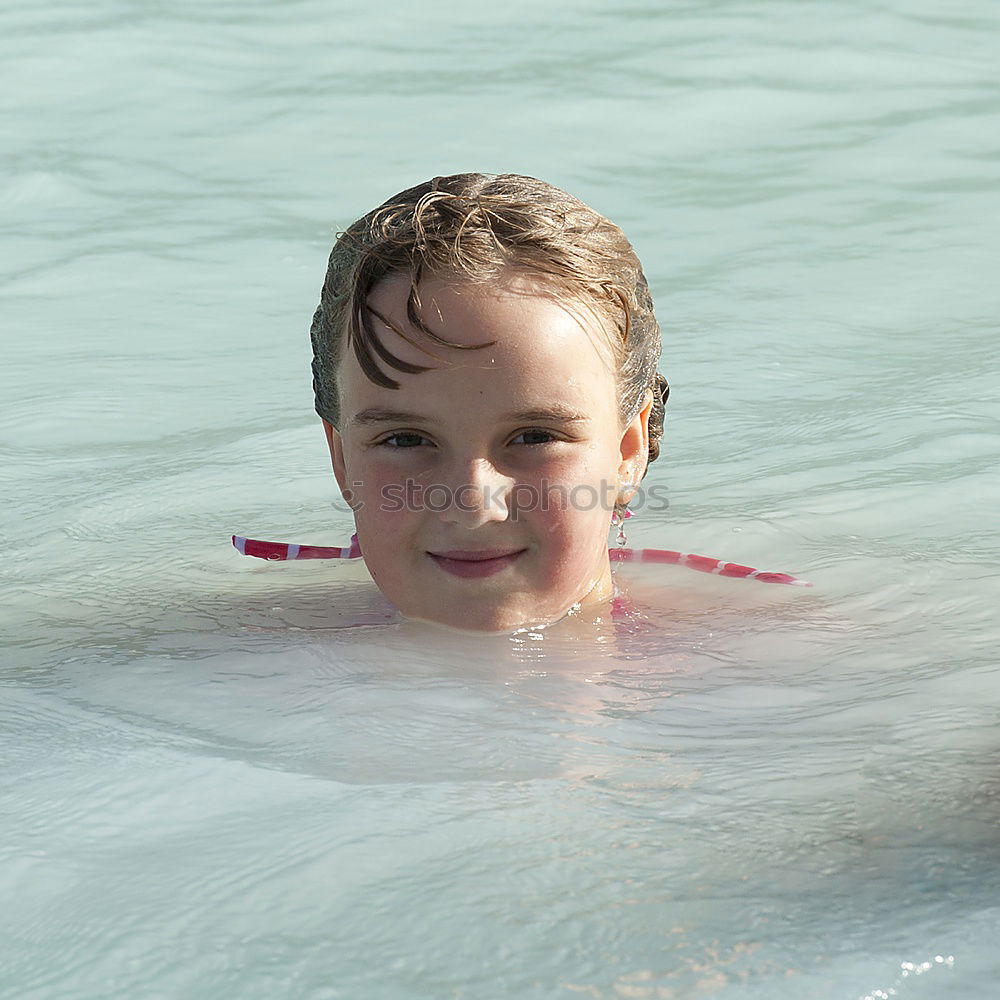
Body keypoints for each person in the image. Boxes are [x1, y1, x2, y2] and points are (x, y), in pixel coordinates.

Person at [309, 172, 669, 633]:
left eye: (535, 436)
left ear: (627, 450)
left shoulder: (745, 674)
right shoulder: (239, 668)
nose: (472, 505)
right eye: (404, 439)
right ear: (341, 458)